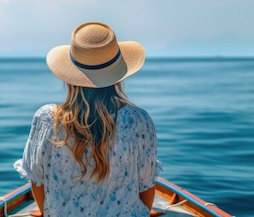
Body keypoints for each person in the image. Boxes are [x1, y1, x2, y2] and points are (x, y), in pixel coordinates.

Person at [14, 22, 160, 216]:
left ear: (69, 76)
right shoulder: (138, 120)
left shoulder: (47, 119)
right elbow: (146, 186)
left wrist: (48, 212)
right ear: (117, 75)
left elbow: (38, 181)